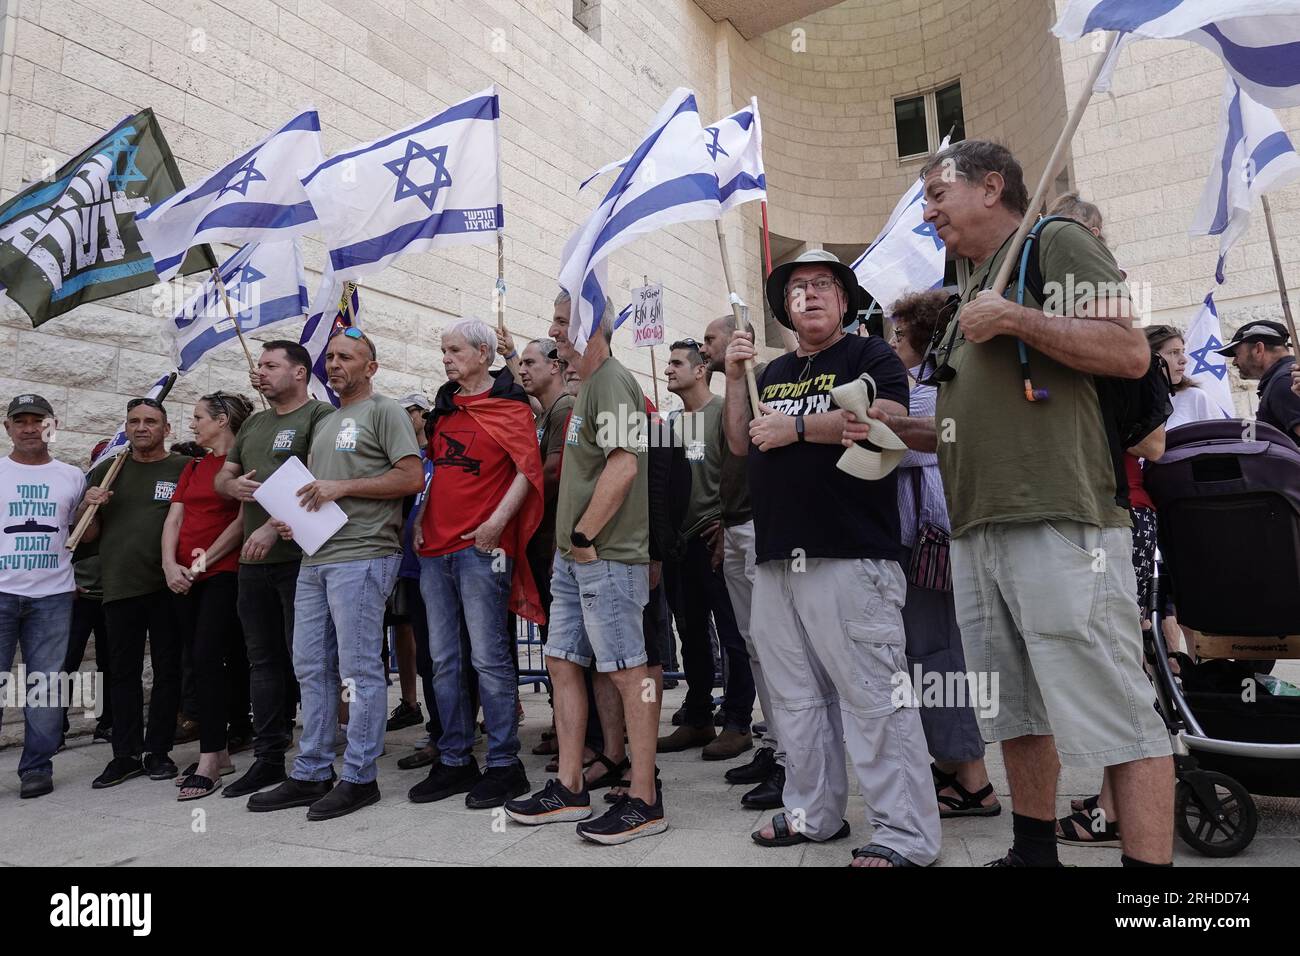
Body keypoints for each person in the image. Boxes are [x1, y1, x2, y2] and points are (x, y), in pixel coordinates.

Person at [876, 139, 1173, 867]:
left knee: (1119, 716)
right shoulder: (969, 285)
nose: (928, 210)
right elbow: (964, 424)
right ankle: (1032, 853)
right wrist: (895, 427)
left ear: (991, 186)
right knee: (1013, 708)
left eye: (938, 193)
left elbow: (1129, 352)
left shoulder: (1053, 243)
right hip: (978, 531)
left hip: (1060, 520)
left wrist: (1017, 321)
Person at [725, 249, 940, 868]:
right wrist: (738, 375)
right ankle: (811, 814)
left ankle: (905, 836)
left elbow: (885, 420)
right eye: (797, 289)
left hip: (850, 554)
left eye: (823, 285)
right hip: (776, 557)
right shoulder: (772, 372)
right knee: (793, 700)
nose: (810, 295)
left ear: (844, 301)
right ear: (784, 308)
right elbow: (741, 442)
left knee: (874, 696)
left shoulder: (869, 355)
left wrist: (796, 430)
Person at [506, 290, 665, 845]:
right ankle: (570, 786)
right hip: (577, 563)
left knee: (630, 672)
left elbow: (624, 464)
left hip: (607, 556)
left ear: (590, 324)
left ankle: (644, 797)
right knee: (562, 662)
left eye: (559, 320)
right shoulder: (585, 387)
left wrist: (583, 535)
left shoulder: (615, 380)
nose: (552, 331)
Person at [247, 328, 423, 820]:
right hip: (314, 556)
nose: (336, 364)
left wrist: (340, 487)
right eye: (331, 357)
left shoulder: (384, 411)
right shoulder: (329, 421)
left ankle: (360, 777)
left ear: (371, 367)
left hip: (364, 553)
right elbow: (315, 490)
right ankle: (311, 771)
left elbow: (411, 477)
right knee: (310, 666)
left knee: (359, 670)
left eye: (348, 357)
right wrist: (289, 516)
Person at [408, 318, 543, 809]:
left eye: (455, 350)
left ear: (484, 353)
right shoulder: (443, 408)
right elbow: (436, 471)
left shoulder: (510, 407)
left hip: (482, 549)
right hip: (434, 549)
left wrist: (496, 525)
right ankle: (455, 759)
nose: (446, 358)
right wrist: (421, 516)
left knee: (489, 658)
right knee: (443, 660)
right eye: (443, 350)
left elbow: (527, 472)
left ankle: (505, 764)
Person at [888, 291, 1001, 820]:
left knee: (938, 657)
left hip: (930, 536)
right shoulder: (929, 382)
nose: (891, 342)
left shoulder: (932, 385)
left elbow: (922, 444)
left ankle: (971, 776)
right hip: (926, 535)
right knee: (932, 652)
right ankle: (955, 767)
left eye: (897, 333)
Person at [215, 340, 336, 799]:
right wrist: (234, 484)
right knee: (262, 661)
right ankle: (268, 759)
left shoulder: (320, 417)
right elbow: (222, 477)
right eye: (258, 365)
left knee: (307, 662)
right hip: (253, 565)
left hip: (299, 560)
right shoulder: (255, 423)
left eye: (270, 365)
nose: (258, 373)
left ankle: (315, 761)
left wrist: (269, 526)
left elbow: (312, 480)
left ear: (300, 373)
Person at [77, 397, 191, 788]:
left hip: (167, 586)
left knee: (167, 671)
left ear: (166, 429)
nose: (142, 427)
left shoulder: (182, 468)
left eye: (151, 421)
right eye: (134, 421)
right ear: (126, 427)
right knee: (120, 674)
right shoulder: (109, 470)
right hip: (120, 587)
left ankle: (157, 751)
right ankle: (124, 754)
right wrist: (88, 507)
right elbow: (86, 536)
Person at [700, 315, 785, 808]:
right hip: (732, 526)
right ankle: (772, 744)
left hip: (759, 526)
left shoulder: (762, 381)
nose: (706, 345)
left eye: (712, 338)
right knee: (755, 644)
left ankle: (791, 755)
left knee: (772, 645)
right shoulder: (726, 394)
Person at [658, 338, 755, 760]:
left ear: (701, 370)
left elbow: (742, 467)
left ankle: (738, 722)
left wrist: (727, 521)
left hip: (717, 539)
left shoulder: (723, 411)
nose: (667, 370)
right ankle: (699, 717)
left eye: (677, 363)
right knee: (691, 634)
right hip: (681, 544)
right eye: (667, 363)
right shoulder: (670, 423)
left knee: (734, 635)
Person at [162, 392, 254, 800]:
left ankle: (211, 758)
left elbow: (241, 522)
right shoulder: (194, 465)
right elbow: (174, 516)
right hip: (181, 577)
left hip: (220, 574)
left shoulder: (241, 463)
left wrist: (201, 565)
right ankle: (220, 751)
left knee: (208, 658)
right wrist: (169, 565)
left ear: (221, 420)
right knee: (196, 664)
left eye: (199, 417)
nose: (193, 424)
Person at [0, 394, 86, 798]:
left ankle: (36, 766)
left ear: (51, 426)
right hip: (1, 591)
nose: (30, 428)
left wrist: (93, 509)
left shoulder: (71, 476)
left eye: (39, 421)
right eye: (21, 421)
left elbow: (83, 535)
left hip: (53, 594)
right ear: (8, 428)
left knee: (46, 685)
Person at [393, 393, 442, 771]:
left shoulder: (437, 458)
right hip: (412, 567)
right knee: (426, 657)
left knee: (445, 656)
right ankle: (437, 730)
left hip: (438, 567)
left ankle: (450, 734)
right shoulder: (411, 462)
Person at [385, 393, 435, 739]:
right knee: (404, 630)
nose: (405, 416)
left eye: (411, 411)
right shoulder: (398, 455)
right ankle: (411, 702)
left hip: (433, 561)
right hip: (402, 559)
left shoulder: (435, 453)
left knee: (439, 646)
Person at [60, 438, 114, 750]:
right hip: (79, 591)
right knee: (65, 662)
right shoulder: (78, 493)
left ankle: (107, 723)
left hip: (113, 593)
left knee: (111, 664)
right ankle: (54, 727)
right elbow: (60, 538)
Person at [1215, 319, 1299, 443]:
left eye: (1237, 354)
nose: (1234, 362)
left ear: (1259, 349)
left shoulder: (1284, 382)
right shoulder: (1282, 379)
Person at [1145, 325, 1228, 428]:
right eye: (1174, 352)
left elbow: (1222, 440)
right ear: (1148, 357)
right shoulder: (1126, 404)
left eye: (1182, 352)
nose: (1184, 360)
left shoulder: (1195, 398)